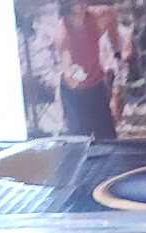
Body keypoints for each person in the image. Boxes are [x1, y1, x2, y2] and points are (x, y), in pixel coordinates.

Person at [54, 0, 118, 139]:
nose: (82, 3)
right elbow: (66, 63)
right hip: (75, 95)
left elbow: (111, 15)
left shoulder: (96, 17)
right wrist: (71, 75)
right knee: (79, 141)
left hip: (96, 86)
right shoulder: (63, 31)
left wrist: (116, 48)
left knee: (108, 139)